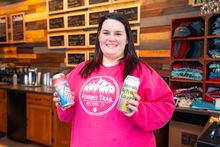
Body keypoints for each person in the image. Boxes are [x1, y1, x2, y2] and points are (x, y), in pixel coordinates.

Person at [53, 12, 175, 147]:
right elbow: (66, 117)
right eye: (106, 33)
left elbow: (166, 105)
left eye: (118, 34)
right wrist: (63, 105)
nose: (111, 38)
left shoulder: (141, 71)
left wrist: (139, 110)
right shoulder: (81, 70)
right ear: (99, 36)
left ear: (127, 39)